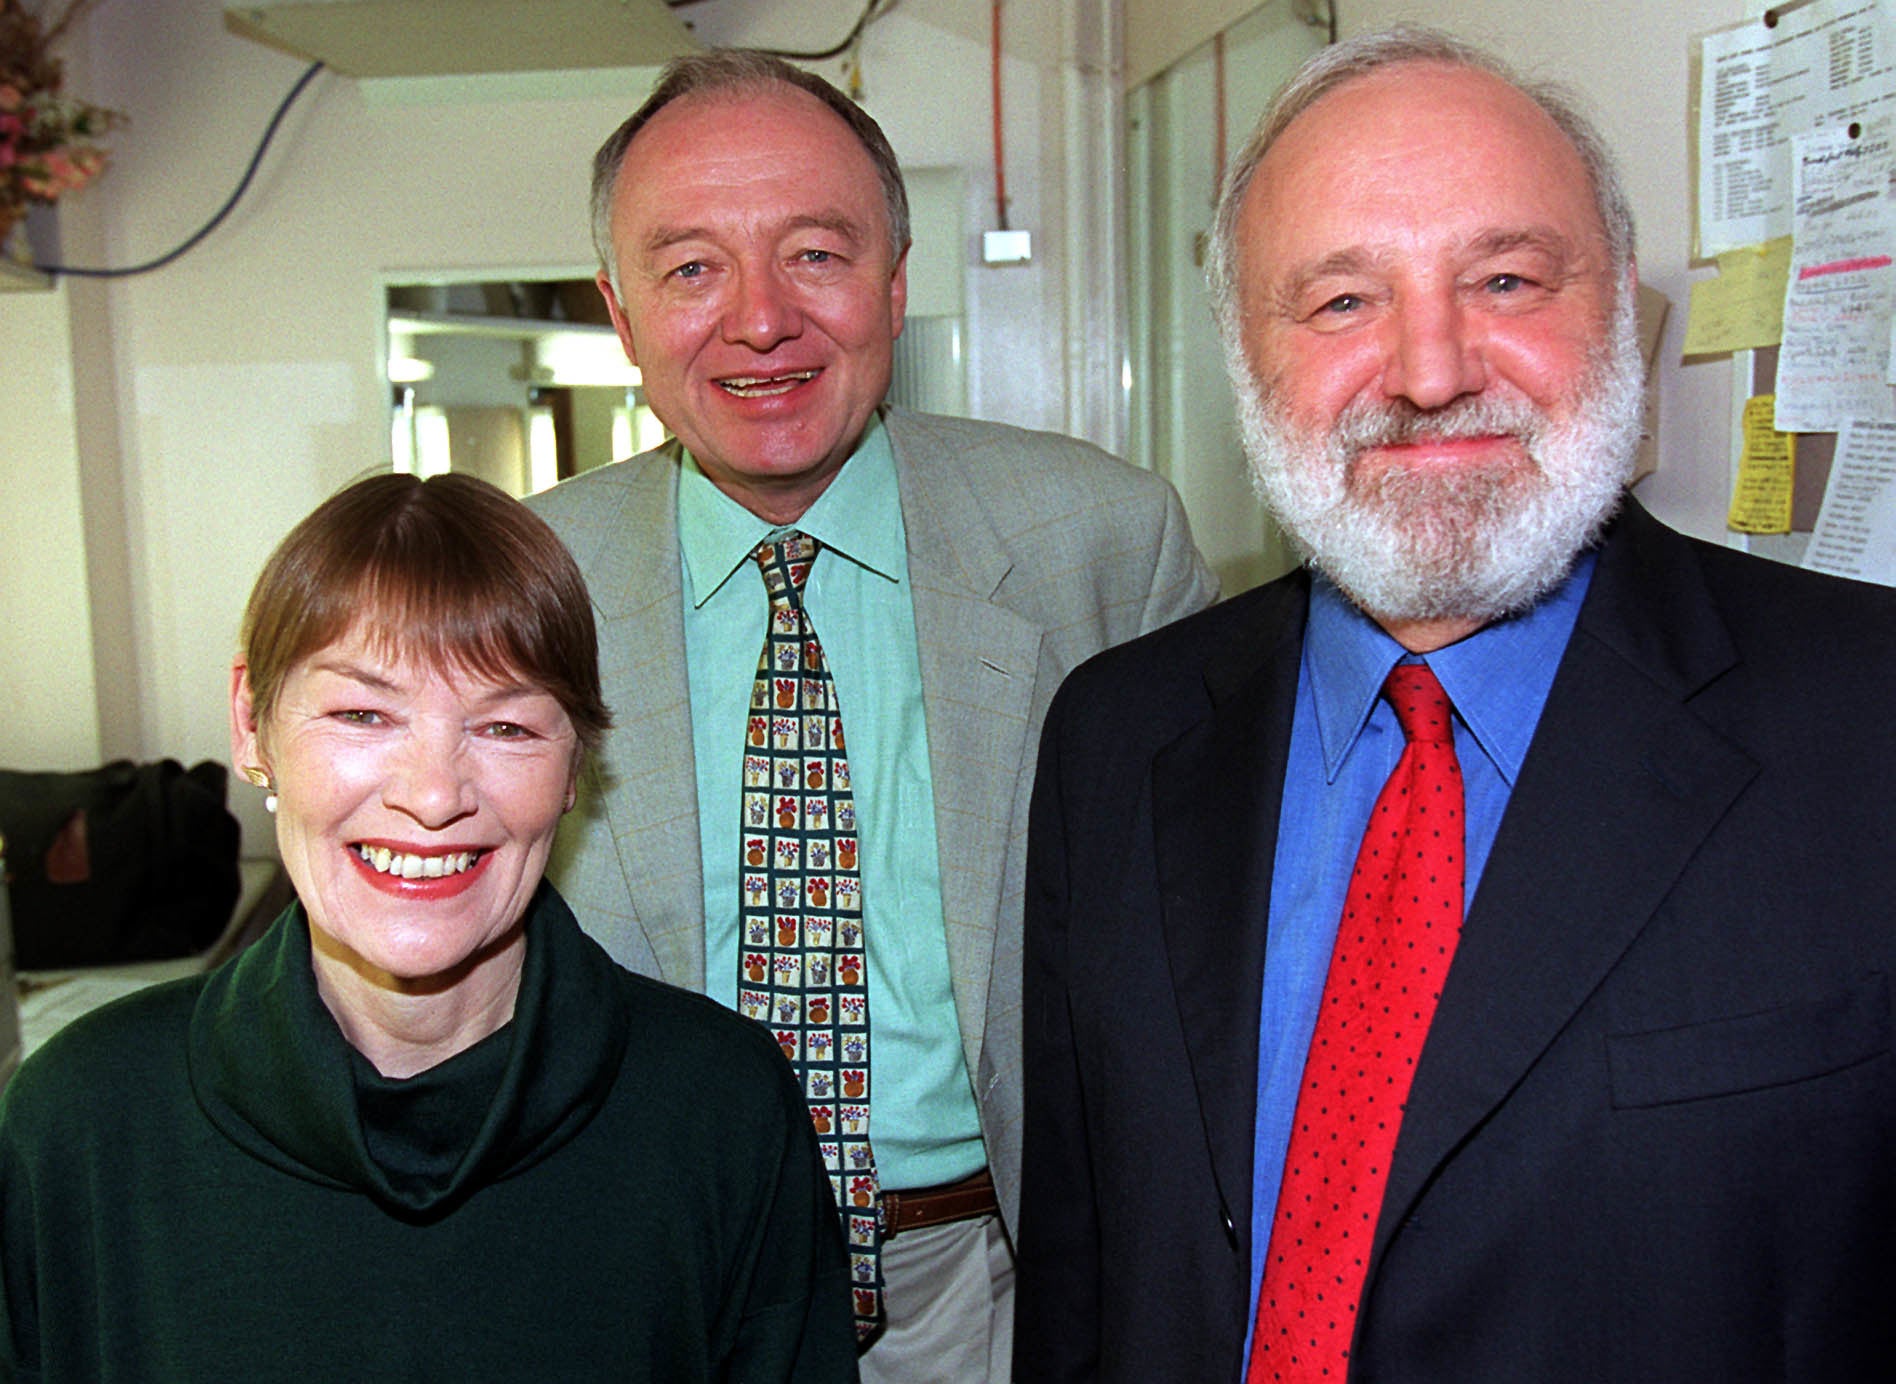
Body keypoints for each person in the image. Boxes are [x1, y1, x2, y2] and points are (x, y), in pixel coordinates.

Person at [1016, 25, 1896, 1384]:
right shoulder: (1116, 737)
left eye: (1505, 278)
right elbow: (1084, 1276)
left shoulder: (1865, 720)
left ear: (1617, 306)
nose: (1431, 373)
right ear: (1242, 358)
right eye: (1342, 303)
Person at [528, 49, 1215, 1378]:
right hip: (642, 1290)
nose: (760, 320)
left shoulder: (1103, 546)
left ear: (896, 285)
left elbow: (1215, 948)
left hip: (1002, 1289)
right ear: (620, 314)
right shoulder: (521, 586)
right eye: (690, 270)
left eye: (816, 255)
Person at [0, 473, 858, 1382]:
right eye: (362, 714)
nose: (434, 795)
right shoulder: (81, 1125)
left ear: (577, 764)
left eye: (506, 727)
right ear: (252, 725)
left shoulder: (718, 1110)